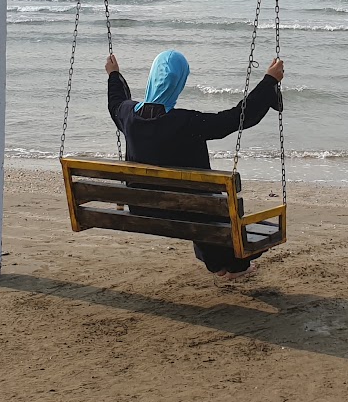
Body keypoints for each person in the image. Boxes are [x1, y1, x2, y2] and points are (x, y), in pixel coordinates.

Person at [106, 49, 285, 278]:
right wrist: (269, 81)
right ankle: (233, 266)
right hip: (194, 211)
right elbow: (237, 117)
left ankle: (220, 266)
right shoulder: (187, 123)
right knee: (205, 210)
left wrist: (114, 75)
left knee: (199, 207)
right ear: (179, 82)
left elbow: (115, 102)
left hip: (145, 209)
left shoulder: (128, 116)